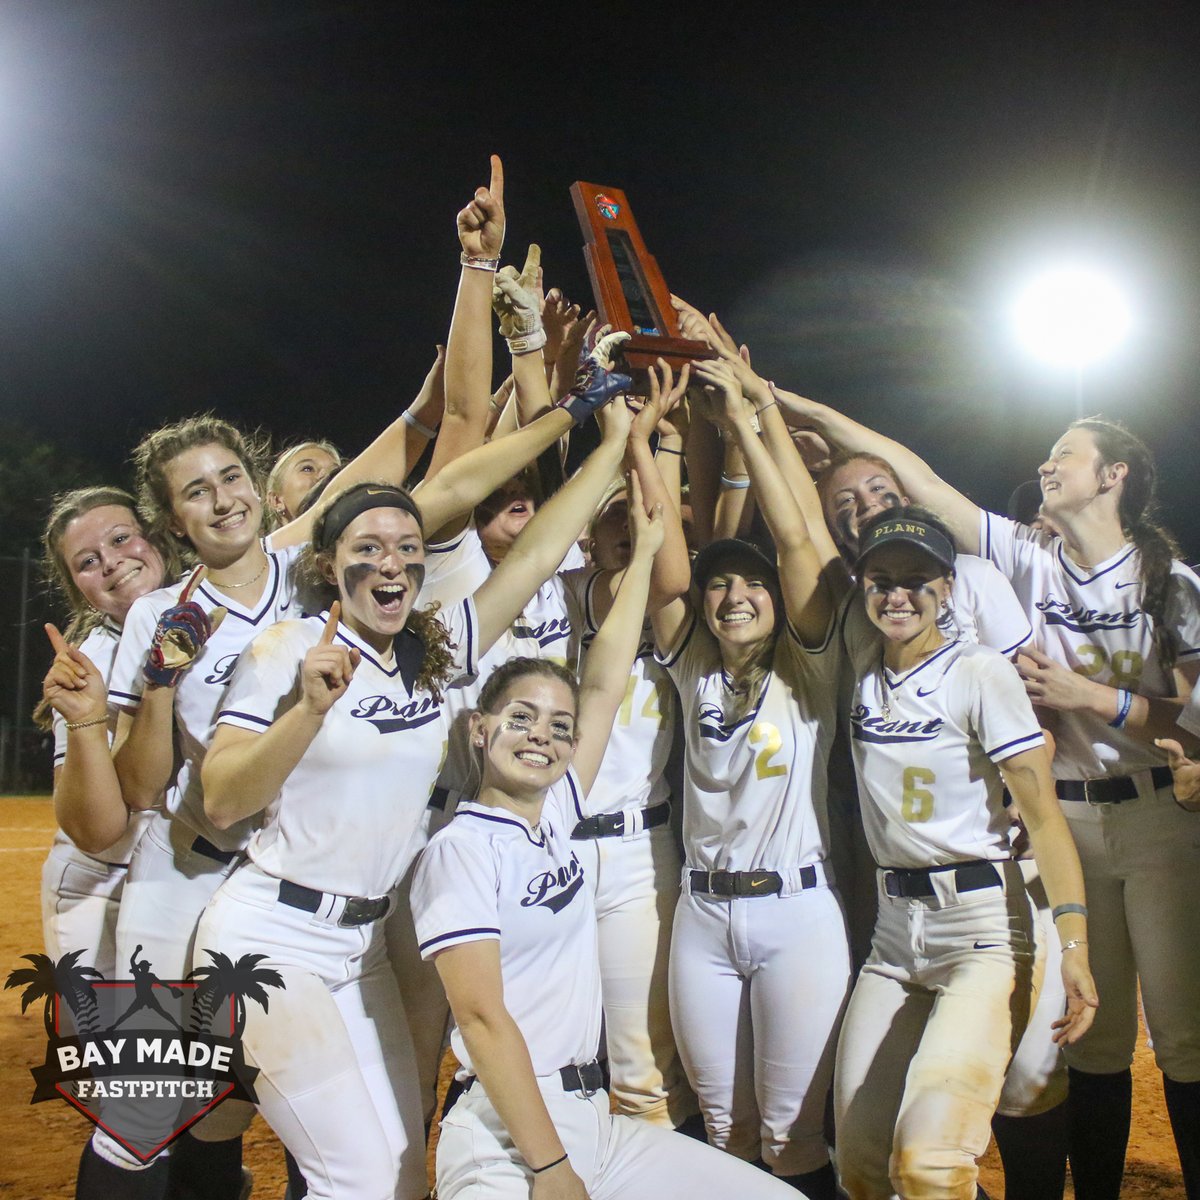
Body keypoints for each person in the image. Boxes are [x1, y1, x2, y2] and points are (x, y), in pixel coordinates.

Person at [194, 403, 640, 1200]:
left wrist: (612, 443)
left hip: (362, 949)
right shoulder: (288, 650)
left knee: (403, 1176)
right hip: (269, 941)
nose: (392, 563)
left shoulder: (434, 650)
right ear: (330, 565)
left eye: (406, 547)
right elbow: (224, 799)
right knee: (354, 1177)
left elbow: (538, 555)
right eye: (368, 548)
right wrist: (305, 713)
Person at [782, 399, 1200, 1200]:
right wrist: (796, 411)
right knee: (1098, 1046)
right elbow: (915, 476)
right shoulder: (1026, 558)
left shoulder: (1167, 582)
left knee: (1179, 1037)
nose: (1047, 464)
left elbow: (1195, 719)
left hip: (1151, 813)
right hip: (1065, 820)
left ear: (1114, 477)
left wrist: (1094, 698)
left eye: (1065, 454)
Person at [410, 486, 799, 1200]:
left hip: (594, 1122)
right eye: (520, 718)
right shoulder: (460, 849)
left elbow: (604, 678)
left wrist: (650, 550)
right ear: (478, 728)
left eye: (558, 728)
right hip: (505, 1131)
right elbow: (480, 1018)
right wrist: (551, 1169)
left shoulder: (557, 812)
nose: (543, 736)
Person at [833, 505, 1097, 1200]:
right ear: (861, 585)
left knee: (929, 1164)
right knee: (860, 1168)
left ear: (947, 587)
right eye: (882, 578)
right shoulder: (859, 666)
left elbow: (1043, 819)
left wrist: (1073, 947)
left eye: (917, 579)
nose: (897, 594)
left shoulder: (979, 672)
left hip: (982, 930)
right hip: (893, 939)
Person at [651, 359, 851, 1197]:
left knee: (790, 1133)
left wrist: (742, 416)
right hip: (701, 915)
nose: (734, 595)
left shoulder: (810, 670)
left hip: (796, 913)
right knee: (723, 1129)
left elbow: (801, 540)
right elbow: (665, 552)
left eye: (752, 583)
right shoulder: (691, 665)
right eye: (720, 583)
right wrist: (650, 441)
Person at [38, 487, 171, 977]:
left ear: (157, 537)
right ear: (78, 588)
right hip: (106, 888)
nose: (112, 562)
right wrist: (86, 721)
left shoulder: (214, 609)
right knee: (133, 1053)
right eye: (88, 562)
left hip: (194, 882)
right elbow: (94, 831)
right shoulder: (86, 665)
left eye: (121, 539)